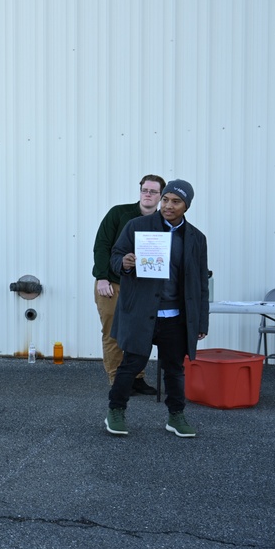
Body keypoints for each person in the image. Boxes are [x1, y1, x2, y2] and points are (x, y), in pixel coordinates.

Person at [104, 179, 209, 438]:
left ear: (187, 206)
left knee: (174, 368)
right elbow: (116, 256)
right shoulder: (138, 226)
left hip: (175, 316)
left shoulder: (196, 238)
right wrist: (125, 263)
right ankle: (115, 411)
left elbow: (200, 282)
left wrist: (201, 322)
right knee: (130, 365)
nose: (168, 205)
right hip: (141, 312)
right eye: (165, 199)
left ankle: (176, 416)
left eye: (176, 201)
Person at [92, 174, 165, 394]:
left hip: (143, 288)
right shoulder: (119, 213)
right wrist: (102, 277)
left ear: (161, 196)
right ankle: (117, 380)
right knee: (113, 332)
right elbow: (102, 245)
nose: (148, 194)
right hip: (113, 284)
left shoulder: (163, 222)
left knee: (140, 334)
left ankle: (137, 377)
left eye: (153, 191)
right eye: (145, 190)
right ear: (140, 191)